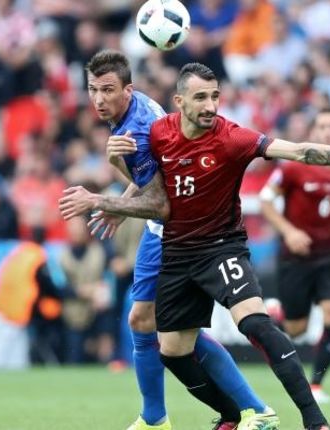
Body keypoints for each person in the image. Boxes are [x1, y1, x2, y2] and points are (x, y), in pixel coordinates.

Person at [59, 62, 330, 430]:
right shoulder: (158, 133)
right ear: (179, 101)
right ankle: (236, 414)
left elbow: (302, 151)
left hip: (221, 247)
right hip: (178, 253)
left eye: (215, 97)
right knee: (173, 352)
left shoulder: (233, 138)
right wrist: (119, 163)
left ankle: (314, 420)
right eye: (201, 98)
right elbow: (154, 187)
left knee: (256, 324)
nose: (211, 106)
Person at [83, 50, 274, 430]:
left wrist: (107, 198)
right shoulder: (131, 110)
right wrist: (121, 204)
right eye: (92, 90)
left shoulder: (133, 130)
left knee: (164, 328)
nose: (99, 99)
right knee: (149, 321)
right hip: (170, 227)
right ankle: (157, 417)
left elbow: (161, 203)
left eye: (107, 90)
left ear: (127, 89)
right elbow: (152, 179)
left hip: (174, 232)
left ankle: (252, 409)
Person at [259, 108, 330, 404]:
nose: (328, 132)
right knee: (297, 329)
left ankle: (316, 385)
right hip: (296, 257)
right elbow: (266, 201)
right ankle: (279, 314)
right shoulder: (294, 165)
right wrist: (289, 232)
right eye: (322, 127)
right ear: (313, 132)